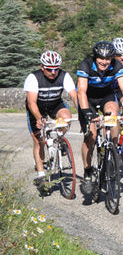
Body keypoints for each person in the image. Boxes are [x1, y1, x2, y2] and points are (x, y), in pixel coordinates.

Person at [76, 41, 123, 196]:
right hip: (87, 99)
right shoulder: (86, 65)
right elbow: (81, 91)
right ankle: (88, 170)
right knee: (91, 137)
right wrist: (87, 112)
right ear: (96, 57)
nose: (104, 61)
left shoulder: (116, 65)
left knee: (113, 114)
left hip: (105, 96)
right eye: (101, 58)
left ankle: (112, 151)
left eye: (107, 58)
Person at [24, 51, 78, 193]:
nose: (53, 72)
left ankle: (59, 141)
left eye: (56, 68)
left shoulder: (64, 75)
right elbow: (31, 102)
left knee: (66, 116)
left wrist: (83, 111)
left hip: (55, 104)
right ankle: (41, 175)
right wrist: (38, 118)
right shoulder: (33, 78)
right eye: (49, 69)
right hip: (37, 108)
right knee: (39, 141)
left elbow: (74, 95)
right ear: (42, 67)